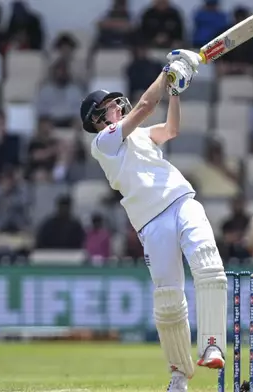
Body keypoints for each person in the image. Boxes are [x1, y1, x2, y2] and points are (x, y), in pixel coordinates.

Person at [80, 49, 226, 392]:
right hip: (151, 223)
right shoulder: (103, 143)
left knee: (208, 263)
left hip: (181, 200)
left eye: (119, 103)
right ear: (99, 119)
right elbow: (146, 105)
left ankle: (213, 343)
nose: (120, 107)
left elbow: (171, 129)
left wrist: (174, 90)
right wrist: (167, 71)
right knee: (169, 301)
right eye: (112, 106)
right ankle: (179, 376)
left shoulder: (142, 135)